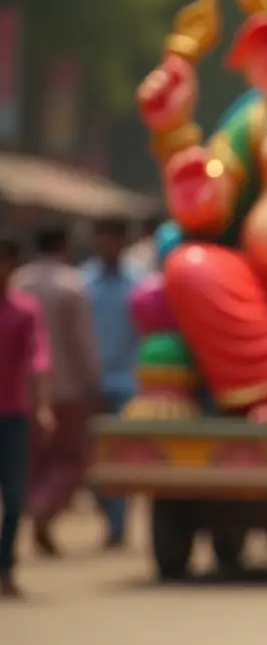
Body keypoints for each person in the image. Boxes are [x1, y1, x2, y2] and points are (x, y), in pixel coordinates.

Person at [11, 226, 101, 558]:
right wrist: (93, 381)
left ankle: (34, 513)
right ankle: (43, 508)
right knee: (72, 458)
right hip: (66, 389)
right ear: (63, 246)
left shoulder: (19, 282)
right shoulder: (72, 285)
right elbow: (81, 341)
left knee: (34, 460)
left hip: (24, 389)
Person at [82, 217, 143, 548]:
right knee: (90, 459)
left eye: (113, 238)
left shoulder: (139, 283)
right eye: (102, 238)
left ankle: (118, 524)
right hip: (90, 382)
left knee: (121, 457)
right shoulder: (82, 283)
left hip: (129, 382)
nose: (107, 245)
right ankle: (107, 511)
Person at [0, 237, 54, 598]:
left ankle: (5, 566)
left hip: (13, 416)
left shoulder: (24, 310)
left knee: (16, 498)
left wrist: (44, 405)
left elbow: (39, 356)